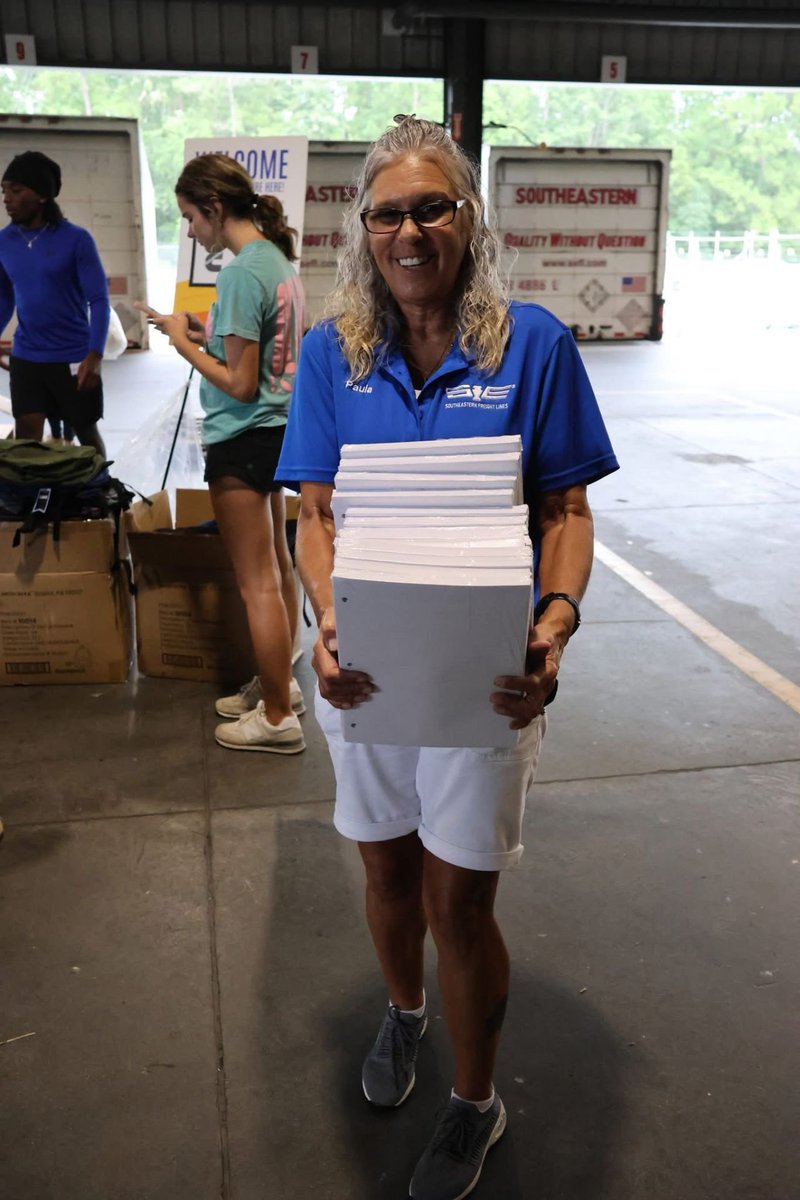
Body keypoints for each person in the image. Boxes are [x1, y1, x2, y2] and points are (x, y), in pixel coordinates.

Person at [277, 116, 619, 1200]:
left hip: (485, 669)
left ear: (468, 218)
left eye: (433, 207)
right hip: (362, 663)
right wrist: (326, 617)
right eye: (388, 212)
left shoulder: (531, 345)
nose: (410, 230)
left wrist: (554, 619)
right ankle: (404, 1012)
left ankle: (474, 1100)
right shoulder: (335, 353)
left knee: (459, 900)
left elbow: (563, 509)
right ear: (361, 230)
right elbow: (312, 512)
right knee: (382, 863)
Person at [137, 153, 305, 755]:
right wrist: (194, 326)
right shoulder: (276, 262)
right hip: (279, 431)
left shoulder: (238, 274)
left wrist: (183, 344)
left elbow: (237, 382)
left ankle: (279, 715)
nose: (188, 231)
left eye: (189, 217)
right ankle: (280, 684)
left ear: (213, 208)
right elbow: (255, 341)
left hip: (242, 435)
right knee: (279, 569)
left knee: (256, 582)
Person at [0, 151, 108, 454]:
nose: (7, 198)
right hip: (27, 356)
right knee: (26, 440)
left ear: (42, 195)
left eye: (16, 190)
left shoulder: (76, 240)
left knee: (87, 436)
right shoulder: (3, 242)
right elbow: (4, 295)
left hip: (73, 358)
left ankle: (98, 492)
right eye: (4, 191)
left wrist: (95, 354)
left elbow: (98, 299)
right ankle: (29, 499)